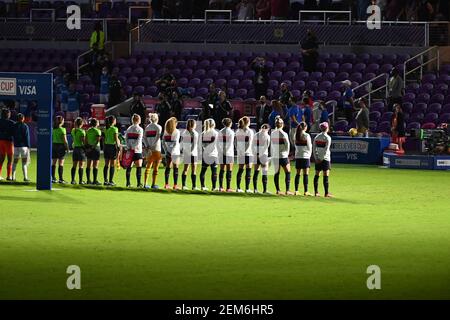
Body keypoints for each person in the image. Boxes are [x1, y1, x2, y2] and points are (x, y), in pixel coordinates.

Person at [270, 116, 292, 195]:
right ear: (282, 124)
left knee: (277, 173)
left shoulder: (272, 133)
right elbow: (287, 145)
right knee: (288, 172)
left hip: (275, 155)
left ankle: (278, 190)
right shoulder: (284, 134)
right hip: (283, 156)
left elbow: (272, 145)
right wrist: (287, 154)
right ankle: (287, 190)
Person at [235, 116, 254, 193]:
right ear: (247, 122)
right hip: (248, 153)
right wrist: (246, 151)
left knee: (240, 170)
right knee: (248, 170)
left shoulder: (238, 131)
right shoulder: (250, 131)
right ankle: (247, 188)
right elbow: (250, 143)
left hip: (241, 153)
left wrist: (239, 150)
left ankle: (238, 188)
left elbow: (235, 143)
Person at [143, 113, 163, 189]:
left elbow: (144, 138)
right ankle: (153, 184)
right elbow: (158, 137)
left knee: (148, 166)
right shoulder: (158, 127)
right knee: (155, 168)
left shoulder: (147, 127)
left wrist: (147, 145)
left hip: (149, 149)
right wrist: (152, 145)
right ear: (156, 118)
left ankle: (145, 184)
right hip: (156, 148)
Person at [125, 114, 144, 188]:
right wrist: (133, 147)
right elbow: (138, 140)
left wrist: (129, 147)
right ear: (138, 120)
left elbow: (126, 139)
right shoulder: (140, 129)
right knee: (139, 167)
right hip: (137, 150)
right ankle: (139, 183)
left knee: (129, 167)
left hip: (129, 150)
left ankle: (128, 183)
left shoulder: (129, 128)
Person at [313, 122, 332, 197]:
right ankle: (326, 193)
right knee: (326, 176)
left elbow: (314, 149)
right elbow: (326, 149)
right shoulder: (328, 138)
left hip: (318, 159)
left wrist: (316, 158)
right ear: (327, 128)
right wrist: (321, 158)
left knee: (317, 175)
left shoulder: (317, 137)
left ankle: (316, 192)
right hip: (325, 158)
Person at [200, 118, 219, 191]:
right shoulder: (215, 133)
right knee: (214, 171)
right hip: (213, 154)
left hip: (205, 154)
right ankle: (214, 187)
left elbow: (202, 145)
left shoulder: (203, 133)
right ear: (213, 124)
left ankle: (202, 186)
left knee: (203, 171)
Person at [162, 117, 181, 190]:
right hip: (175, 152)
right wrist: (173, 152)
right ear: (174, 124)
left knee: (168, 168)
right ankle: (175, 185)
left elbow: (163, 142)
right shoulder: (176, 131)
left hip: (168, 152)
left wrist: (167, 151)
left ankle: (166, 184)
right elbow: (176, 143)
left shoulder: (166, 131)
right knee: (175, 168)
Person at [294, 122, 312, 196]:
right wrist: (309, 155)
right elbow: (309, 147)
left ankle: (296, 190)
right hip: (305, 156)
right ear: (305, 127)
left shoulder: (296, 135)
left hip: (298, 156)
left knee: (298, 174)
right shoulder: (306, 135)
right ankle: (306, 191)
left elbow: (295, 145)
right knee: (305, 174)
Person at [181, 119, 199, 190]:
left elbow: (182, 143)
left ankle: (183, 186)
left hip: (186, 153)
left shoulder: (184, 132)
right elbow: (194, 144)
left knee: (185, 169)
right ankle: (194, 186)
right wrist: (190, 152)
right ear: (193, 124)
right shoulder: (195, 133)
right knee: (193, 170)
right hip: (193, 153)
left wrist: (184, 151)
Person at [103, 115, 121, 186]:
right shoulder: (115, 129)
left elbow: (104, 139)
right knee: (112, 165)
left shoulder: (105, 129)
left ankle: (105, 180)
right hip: (112, 147)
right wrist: (118, 147)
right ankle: (110, 181)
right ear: (113, 121)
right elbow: (116, 139)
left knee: (106, 164)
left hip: (106, 147)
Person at [218, 118, 235, 192]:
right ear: (230, 123)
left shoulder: (220, 131)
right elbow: (230, 143)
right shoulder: (231, 132)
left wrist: (221, 151)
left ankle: (221, 187)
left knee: (222, 170)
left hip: (222, 153)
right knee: (229, 171)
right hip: (229, 153)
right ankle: (228, 188)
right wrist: (226, 151)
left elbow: (218, 143)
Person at [252, 123, 270, 194]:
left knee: (256, 172)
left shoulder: (256, 135)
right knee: (264, 172)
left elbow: (252, 145)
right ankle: (265, 190)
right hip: (264, 155)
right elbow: (267, 146)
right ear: (268, 129)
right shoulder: (267, 136)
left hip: (256, 155)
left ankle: (255, 189)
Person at [11, 113, 30, 182]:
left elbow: (12, 135)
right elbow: (27, 137)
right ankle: (25, 177)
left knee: (15, 162)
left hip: (16, 146)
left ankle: (13, 177)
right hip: (23, 147)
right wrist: (28, 146)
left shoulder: (14, 126)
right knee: (24, 163)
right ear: (23, 118)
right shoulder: (25, 126)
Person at [51, 115, 69, 184]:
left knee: (54, 163)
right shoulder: (62, 129)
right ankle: (61, 179)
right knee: (61, 163)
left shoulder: (53, 129)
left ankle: (53, 178)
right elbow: (65, 140)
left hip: (54, 145)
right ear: (61, 121)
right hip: (60, 147)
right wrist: (67, 148)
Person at [85, 118, 102, 185]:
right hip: (95, 148)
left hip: (89, 147)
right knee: (95, 165)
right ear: (96, 123)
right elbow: (98, 140)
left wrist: (87, 148)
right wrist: (93, 147)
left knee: (88, 164)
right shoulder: (98, 131)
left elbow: (86, 140)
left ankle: (88, 180)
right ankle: (95, 180)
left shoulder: (88, 131)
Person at [70, 117, 87, 185]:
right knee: (81, 166)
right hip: (81, 149)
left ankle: (73, 180)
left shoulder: (73, 130)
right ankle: (80, 181)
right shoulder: (82, 131)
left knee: (74, 165)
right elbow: (83, 142)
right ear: (82, 123)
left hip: (75, 149)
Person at [0, 108, 15, 181]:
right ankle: (8, 176)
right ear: (8, 114)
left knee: (1, 159)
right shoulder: (11, 123)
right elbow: (14, 133)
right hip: (8, 142)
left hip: (0, 142)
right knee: (10, 160)